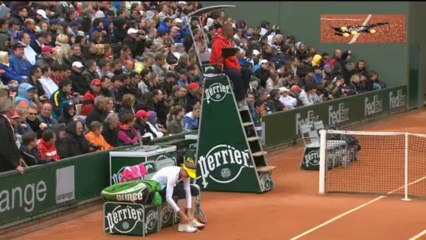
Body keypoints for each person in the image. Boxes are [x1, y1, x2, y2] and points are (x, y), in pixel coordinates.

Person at [150, 157, 205, 233]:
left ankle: (191, 219)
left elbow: (188, 191)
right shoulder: (173, 175)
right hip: (156, 188)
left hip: (167, 186)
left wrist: (189, 211)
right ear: (183, 169)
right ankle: (183, 224)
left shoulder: (185, 174)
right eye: (188, 173)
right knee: (181, 191)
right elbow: (168, 198)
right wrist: (182, 215)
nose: (189, 176)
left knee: (194, 190)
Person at [209, 23, 251, 107]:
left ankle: (242, 95)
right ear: (226, 31)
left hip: (230, 66)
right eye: (232, 30)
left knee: (247, 71)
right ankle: (239, 99)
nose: (233, 32)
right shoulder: (217, 43)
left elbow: (233, 58)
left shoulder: (229, 42)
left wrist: (238, 67)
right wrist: (235, 68)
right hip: (219, 67)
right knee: (237, 75)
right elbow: (221, 59)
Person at [0, 100, 25, 173]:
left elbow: (12, 143)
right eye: (14, 108)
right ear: (9, 109)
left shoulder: (5, 122)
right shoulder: (2, 123)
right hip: (4, 166)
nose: (15, 110)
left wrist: (18, 158)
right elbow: (4, 145)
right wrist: (15, 165)